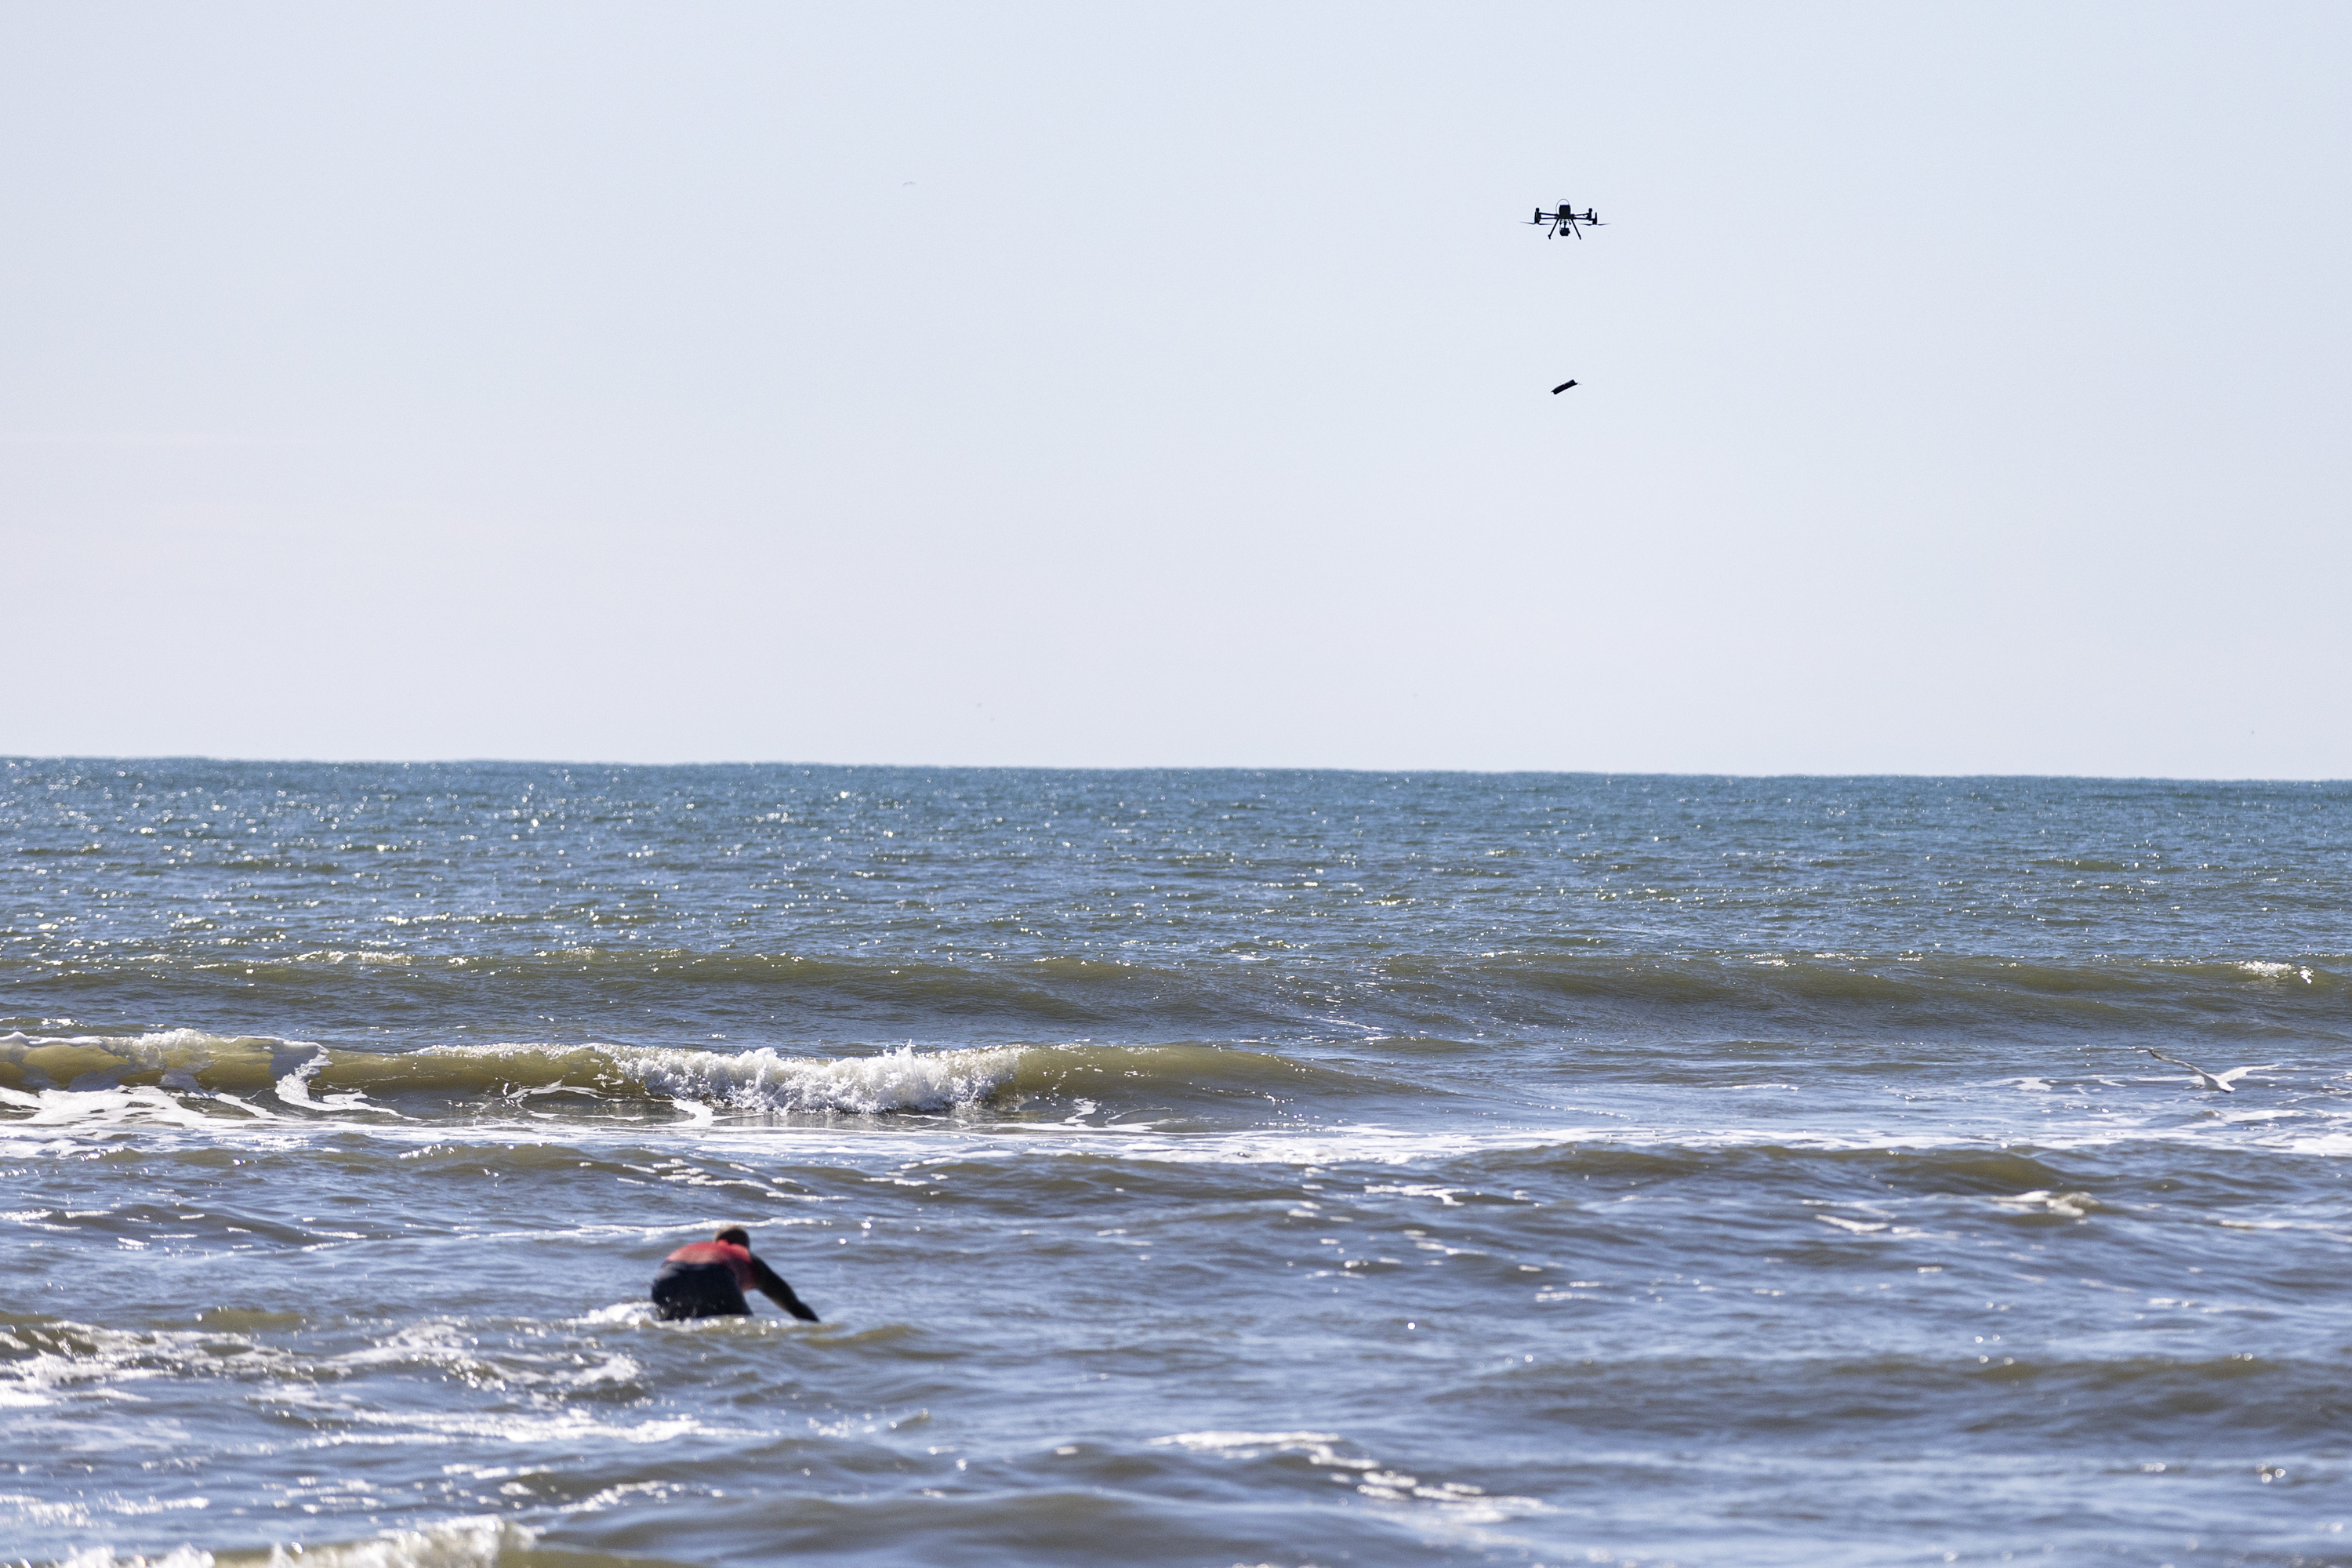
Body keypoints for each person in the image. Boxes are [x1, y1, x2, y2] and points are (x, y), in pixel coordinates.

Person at [651, 1226, 819, 1322]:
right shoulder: (745, 1257)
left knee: (669, 1327)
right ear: (745, 1246)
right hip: (716, 1274)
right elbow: (792, 1305)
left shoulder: (695, 1248)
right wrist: (819, 1332)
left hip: (668, 1274)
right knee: (744, 1330)